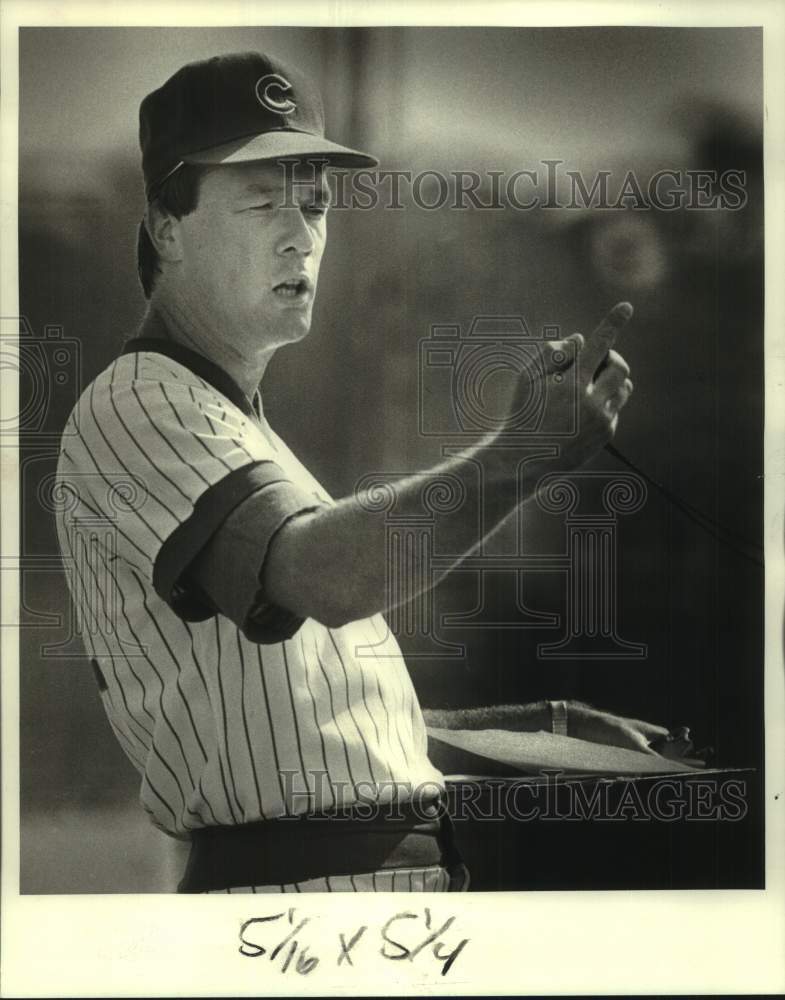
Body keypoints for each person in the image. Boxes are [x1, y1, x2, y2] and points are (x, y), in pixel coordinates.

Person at [54, 50, 674, 894]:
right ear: (167, 225)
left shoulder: (241, 429)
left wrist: (540, 726)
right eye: (262, 200)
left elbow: (312, 719)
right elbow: (324, 577)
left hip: (355, 896)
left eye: (314, 205)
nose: (298, 233)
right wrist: (526, 450)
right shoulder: (136, 400)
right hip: (288, 903)